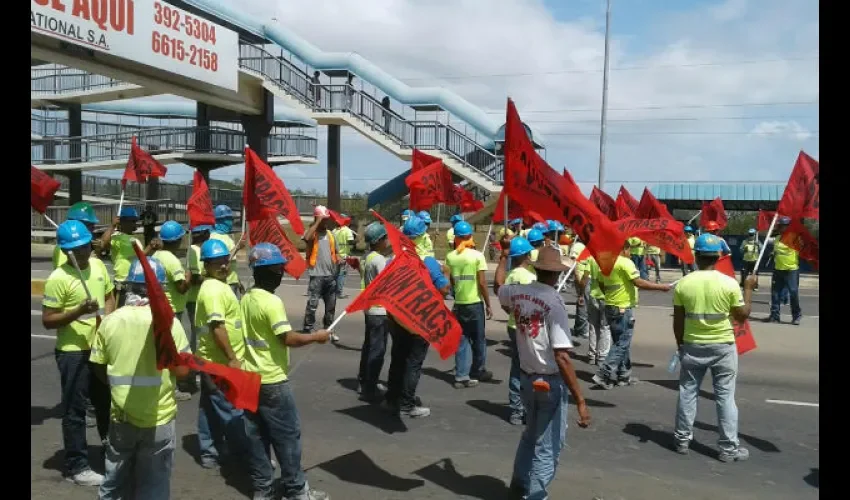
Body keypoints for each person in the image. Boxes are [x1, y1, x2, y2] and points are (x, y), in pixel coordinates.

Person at [90, 257, 191, 499]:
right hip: (159, 418)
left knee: (115, 480)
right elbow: (183, 372)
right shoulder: (169, 324)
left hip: (121, 415)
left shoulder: (110, 321)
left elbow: (98, 367)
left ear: (129, 287)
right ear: (160, 289)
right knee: (153, 485)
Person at [497, 246, 591, 499]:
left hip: (527, 376)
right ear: (557, 274)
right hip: (548, 379)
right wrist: (580, 400)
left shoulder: (518, 292)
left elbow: (499, 287)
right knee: (548, 445)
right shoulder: (554, 302)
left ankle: (519, 483)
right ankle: (536, 495)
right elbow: (562, 356)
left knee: (531, 435)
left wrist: (503, 258)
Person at [240, 243, 331, 500]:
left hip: (249, 378)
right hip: (271, 381)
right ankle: (296, 490)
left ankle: (263, 490)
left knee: (257, 437)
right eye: (277, 269)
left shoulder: (246, 298)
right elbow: (288, 338)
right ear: (266, 271)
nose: (281, 273)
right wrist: (316, 337)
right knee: (287, 437)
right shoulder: (271, 302)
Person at [42, 220, 116, 487]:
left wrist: (107, 321)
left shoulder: (98, 266)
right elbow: (48, 320)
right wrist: (78, 312)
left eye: (84, 246)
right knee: (75, 410)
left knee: (106, 403)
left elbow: (109, 296)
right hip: (73, 352)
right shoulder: (58, 279)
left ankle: (111, 451)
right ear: (64, 251)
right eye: (74, 249)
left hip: (99, 348)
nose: (81, 252)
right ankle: (77, 465)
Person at [672, 234, 754, 462]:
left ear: (696, 256)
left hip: (692, 345)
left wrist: (680, 345)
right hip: (723, 346)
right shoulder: (729, 283)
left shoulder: (684, 283)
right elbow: (742, 315)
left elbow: (678, 322)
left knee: (687, 393)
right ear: (718, 256)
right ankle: (728, 449)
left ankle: (682, 440)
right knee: (725, 397)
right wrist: (748, 288)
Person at [592, 239, 673, 389]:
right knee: (622, 343)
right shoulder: (625, 263)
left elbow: (601, 284)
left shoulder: (604, 262)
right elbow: (639, 282)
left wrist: (612, 296)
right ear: (624, 249)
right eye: (629, 250)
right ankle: (604, 373)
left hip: (611, 305)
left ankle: (623, 375)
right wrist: (661, 287)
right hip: (623, 307)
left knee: (620, 342)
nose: (630, 254)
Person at [194, 238, 247, 469]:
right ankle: (246, 454)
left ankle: (210, 452)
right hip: (219, 362)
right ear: (206, 265)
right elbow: (217, 327)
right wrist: (232, 358)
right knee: (232, 410)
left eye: (225, 261)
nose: (224, 266)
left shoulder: (217, 285)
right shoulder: (214, 290)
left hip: (211, 360)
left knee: (209, 408)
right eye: (217, 263)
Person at [384, 253, 452, 418]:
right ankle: (407, 405)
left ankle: (391, 400)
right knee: (413, 363)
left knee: (398, 360)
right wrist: (446, 273)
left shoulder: (394, 260)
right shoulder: (428, 261)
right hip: (419, 321)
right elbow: (444, 289)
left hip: (397, 318)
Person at [493, 236, 537, 426]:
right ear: (527, 255)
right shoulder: (530, 278)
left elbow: (504, 300)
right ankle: (524, 408)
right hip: (527, 327)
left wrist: (513, 312)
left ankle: (516, 409)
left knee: (517, 368)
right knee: (530, 370)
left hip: (513, 324)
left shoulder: (511, 276)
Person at [445, 221, 493, 388]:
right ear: (470, 236)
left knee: (461, 340)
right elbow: (482, 283)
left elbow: (450, 281)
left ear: (456, 238)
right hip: (475, 304)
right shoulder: (477, 256)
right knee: (479, 340)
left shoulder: (450, 257)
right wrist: (488, 304)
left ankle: (461, 376)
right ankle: (477, 371)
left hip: (459, 304)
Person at [149, 220, 193, 401]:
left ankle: (161, 385)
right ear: (177, 240)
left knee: (160, 349)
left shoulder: (157, 255)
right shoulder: (172, 260)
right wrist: (188, 277)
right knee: (173, 350)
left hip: (160, 307)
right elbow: (181, 287)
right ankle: (173, 388)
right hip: (173, 310)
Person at [357, 222, 393, 401]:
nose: (387, 240)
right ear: (378, 241)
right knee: (377, 351)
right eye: (385, 238)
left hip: (369, 309)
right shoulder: (379, 260)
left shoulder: (367, 257)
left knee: (368, 347)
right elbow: (387, 282)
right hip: (379, 311)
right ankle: (370, 387)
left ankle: (363, 380)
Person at [301, 206, 341, 342]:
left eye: (326, 219)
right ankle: (308, 329)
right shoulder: (313, 233)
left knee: (331, 306)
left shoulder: (331, 235)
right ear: (317, 218)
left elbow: (336, 253)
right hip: (316, 275)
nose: (326, 222)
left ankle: (329, 330)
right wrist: (317, 221)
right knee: (312, 304)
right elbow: (306, 238)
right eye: (323, 219)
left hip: (331, 276)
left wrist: (340, 259)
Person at [183, 224, 212, 395]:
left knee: (201, 334)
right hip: (194, 300)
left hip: (202, 298)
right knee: (198, 335)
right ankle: (194, 368)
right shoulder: (193, 250)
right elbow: (194, 278)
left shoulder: (201, 249)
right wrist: (210, 278)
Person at [101, 207, 150, 306]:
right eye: (131, 221)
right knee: (120, 311)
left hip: (136, 282)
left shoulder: (136, 240)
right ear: (122, 222)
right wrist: (112, 225)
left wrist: (150, 248)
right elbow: (103, 244)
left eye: (135, 221)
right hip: (122, 282)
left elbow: (141, 258)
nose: (134, 224)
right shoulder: (116, 238)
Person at [765, 216, 802, 325]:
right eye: (781, 226)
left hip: (791, 270)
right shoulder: (777, 238)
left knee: (793, 292)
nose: (782, 228)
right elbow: (777, 249)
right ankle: (774, 316)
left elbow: (800, 247)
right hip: (778, 269)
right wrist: (773, 253)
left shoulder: (795, 238)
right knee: (775, 293)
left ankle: (797, 316)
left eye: (784, 226)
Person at [577, 255, 611, 366]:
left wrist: (581, 294)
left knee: (593, 325)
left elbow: (584, 278)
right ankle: (602, 356)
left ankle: (592, 355)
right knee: (605, 327)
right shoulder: (612, 259)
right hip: (607, 297)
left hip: (593, 296)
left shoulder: (592, 259)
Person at [209, 205, 245, 298]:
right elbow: (221, 261)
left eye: (231, 219)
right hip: (225, 283)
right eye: (228, 219)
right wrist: (237, 248)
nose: (230, 222)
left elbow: (232, 265)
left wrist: (238, 282)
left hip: (233, 282)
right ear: (219, 220)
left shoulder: (227, 237)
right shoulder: (215, 238)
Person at [53, 202, 101, 269]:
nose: (93, 229)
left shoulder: (85, 242)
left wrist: (96, 252)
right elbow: (69, 271)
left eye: (93, 226)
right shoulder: (67, 245)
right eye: (89, 225)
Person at [332, 217, 355, 299]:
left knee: (335, 274)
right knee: (342, 274)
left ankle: (333, 292)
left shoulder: (334, 231)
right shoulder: (347, 230)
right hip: (344, 256)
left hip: (335, 256)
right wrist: (356, 239)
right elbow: (350, 241)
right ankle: (339, 292)